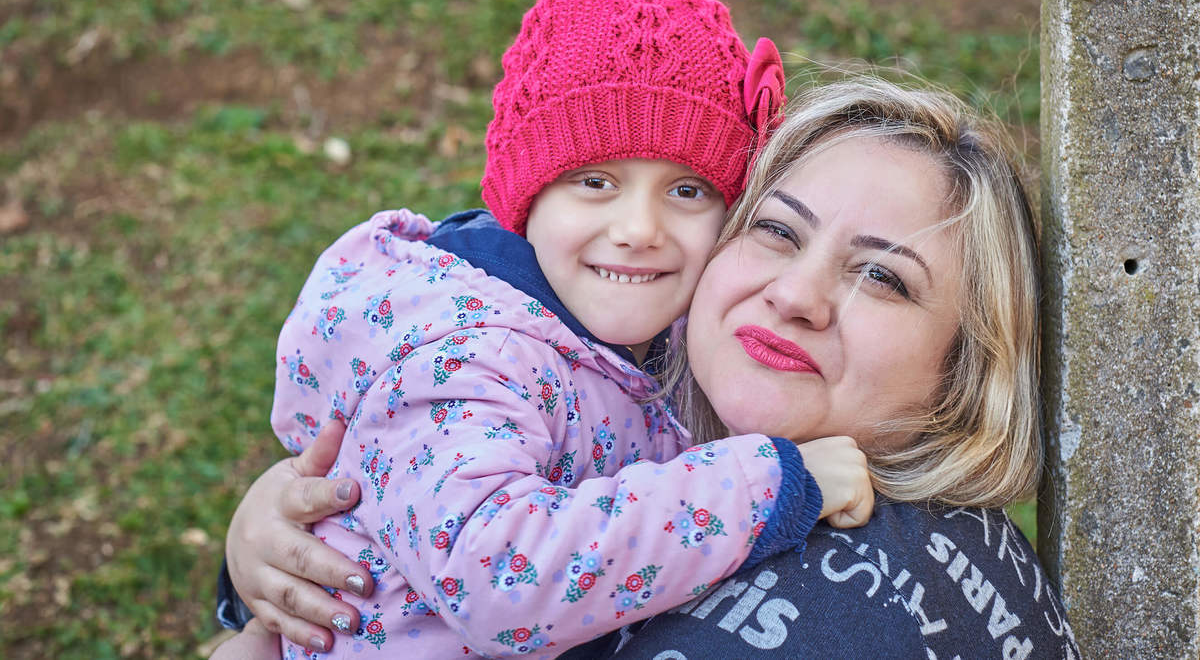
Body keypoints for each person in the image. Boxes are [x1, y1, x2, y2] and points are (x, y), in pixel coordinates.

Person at [221, 78, 1081, 658]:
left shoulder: (871, 602)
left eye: (883, 277)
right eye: (777, 230)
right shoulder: (612, 395)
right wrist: (280, 541)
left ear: (963, 377)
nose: (797, 294)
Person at [215, 0, 874, 659]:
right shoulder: (469, 358)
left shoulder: (638, 335)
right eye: (595, 182)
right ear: (526, 199)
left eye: (688, 191)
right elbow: (502, 581)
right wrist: (763, 487)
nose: (640, 227)